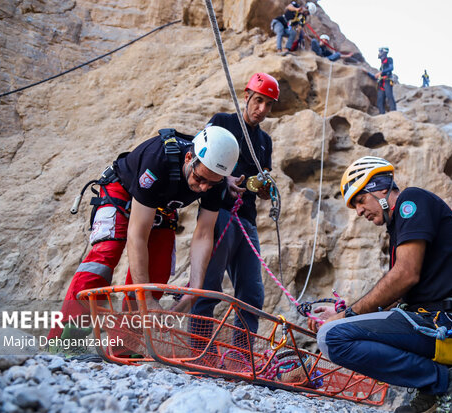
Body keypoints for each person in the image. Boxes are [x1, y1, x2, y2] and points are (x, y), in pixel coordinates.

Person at [309, 157, 452, 413]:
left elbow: (404, 276)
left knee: (332, 337)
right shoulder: (400, 227)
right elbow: (400, 293)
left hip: (451, 325)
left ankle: (445, 381)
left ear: (380, 189)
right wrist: (342, 315)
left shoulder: (412, 201)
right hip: (447, 323)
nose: (358, 211)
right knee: (342, 328)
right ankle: (434, 386)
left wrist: (346, 316)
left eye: (360, 199)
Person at [48, 125, 240, 343]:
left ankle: (126, 343)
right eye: (200, 179)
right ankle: (65, 340)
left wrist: (194, 289)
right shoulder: (158, 161)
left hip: (160, 205)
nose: (204, 188)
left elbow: (204, 234)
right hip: (122, 190)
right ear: (189, 158)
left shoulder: (215, 181)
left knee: (158, 267)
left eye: (212, 183)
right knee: (104, 258)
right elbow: (137, 234)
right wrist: (145, 300)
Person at [190, 73, 279, 338]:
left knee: (252, 293)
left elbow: (261, 182)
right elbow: (198, 154)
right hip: (218, 211)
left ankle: (242, 357)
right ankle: (199, 351)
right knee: (209, 285)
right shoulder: (222, 122)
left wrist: (265, 190)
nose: (261, 109)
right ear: (247, 95)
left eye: (268, 105)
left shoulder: (265, 142)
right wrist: (224, 178)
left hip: (247, 219)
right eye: (258, 101)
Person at [363, 47, 396, 114]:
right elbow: (375, 77)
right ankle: (382, 115)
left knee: (389, 97)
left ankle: (394, 113)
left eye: (380, 52)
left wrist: (381, 72)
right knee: (380, 101)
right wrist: (367, 73)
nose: (379, 54)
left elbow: (391, 68)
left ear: (384, 53)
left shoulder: (389, 60)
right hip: (381, 84)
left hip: (387, 81)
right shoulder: (381, 67)